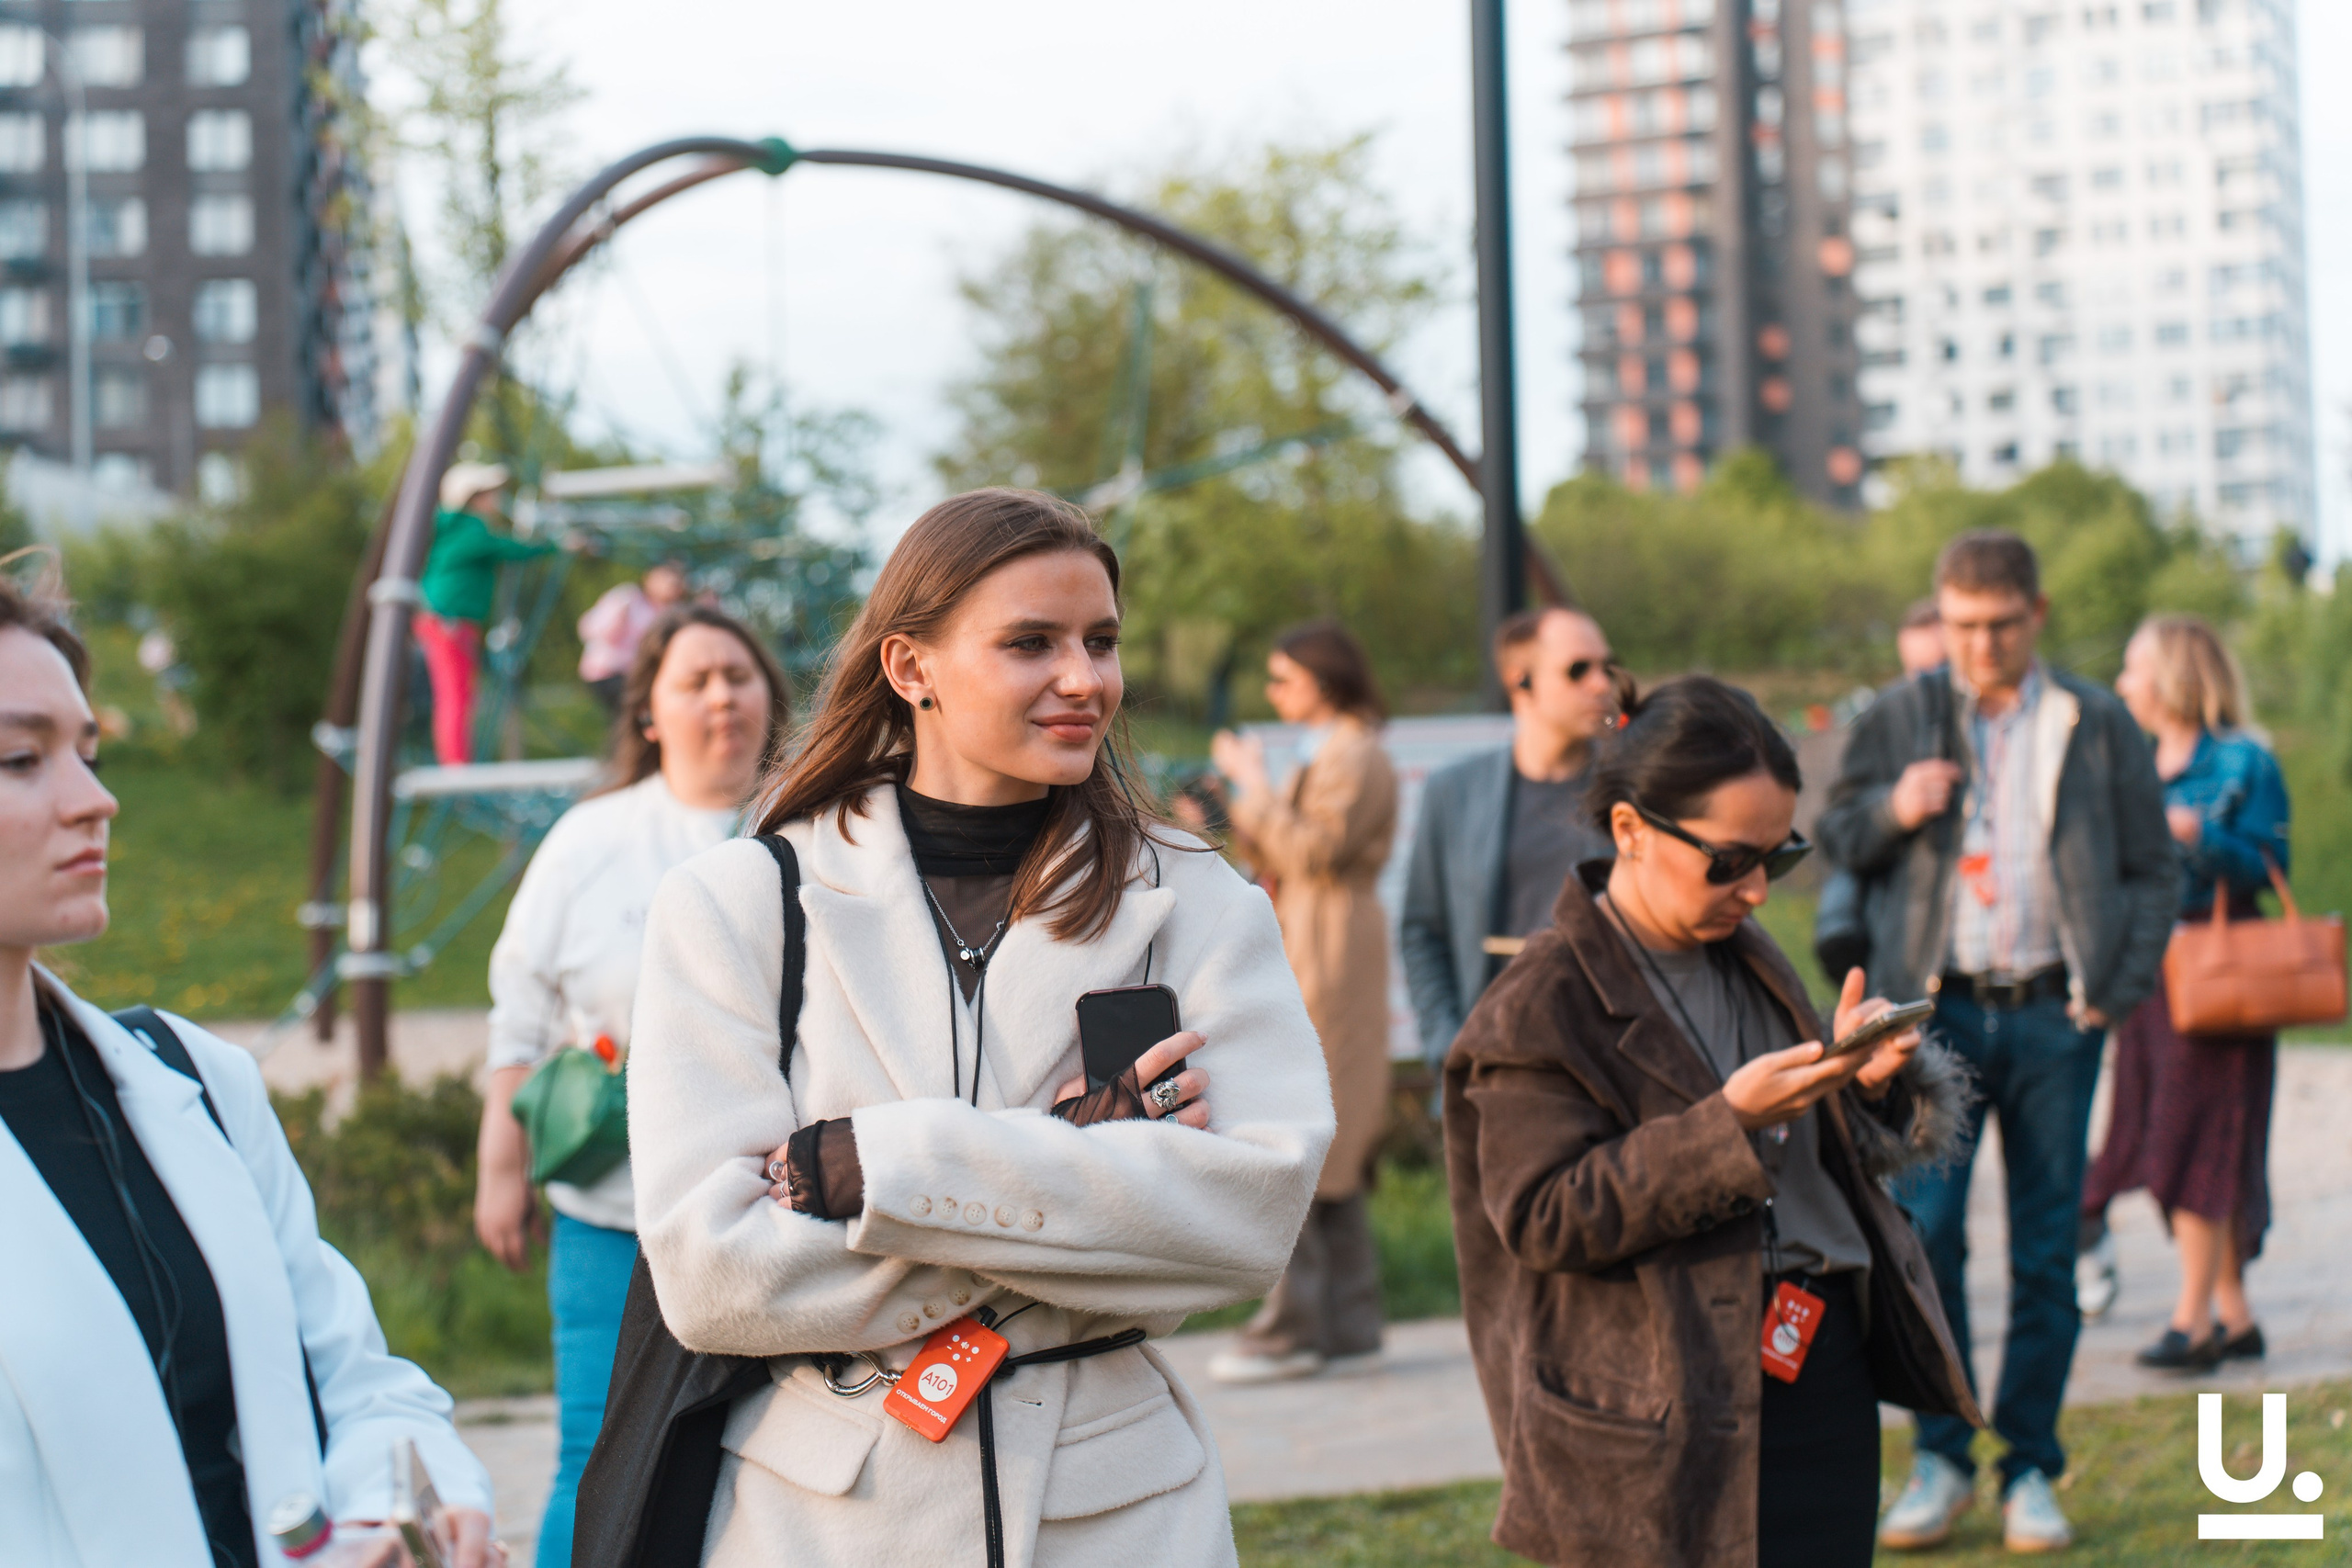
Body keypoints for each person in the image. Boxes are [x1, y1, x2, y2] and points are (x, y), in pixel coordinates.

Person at [623, 488, 1333, 1564]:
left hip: (1125, 1516)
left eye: (1101, 641)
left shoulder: (1198, 899)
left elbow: (1250, 1225)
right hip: (824, 1521)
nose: (1084, 680)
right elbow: (716, 1280)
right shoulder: (737, 904)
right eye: (1029, 643)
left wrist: (882, 1171)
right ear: (911, 670)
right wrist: (1089, 1183)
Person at [0, 559, 500, 1566]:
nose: (95, 801)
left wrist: (397, 1515)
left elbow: (355, 1383)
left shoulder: (189, 1080)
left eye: (90, 753)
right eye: (21, 759)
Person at [1445, 674, 1974, 1568]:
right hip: (1658, 1409)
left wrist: (1861, 1084)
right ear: (1630, 831)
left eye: (1780, 856)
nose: (1759, 889)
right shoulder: (1538, 1005)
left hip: (1817, 1365)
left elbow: (1800, 1156)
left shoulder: (1742, 951)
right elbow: (1539, 1214)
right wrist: (1722, 1125)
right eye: (1730, 861)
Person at [1818, 530, 2177, 1553]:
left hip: (2058, 1011)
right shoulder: (1898, 715)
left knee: (2046, 1250)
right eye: (1961, 626)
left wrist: (2116, 984)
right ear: (1942, 615)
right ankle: (1940, 1459)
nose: (1978, 645)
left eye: (1999, 626)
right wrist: (1892, 806)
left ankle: (2028, 1465)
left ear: (2037, 616)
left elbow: (2152, 870)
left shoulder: (2095, 721)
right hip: (1936, 1017)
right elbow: (1830, 834)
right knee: (1926, 1242)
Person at [473, 604, 789, 1568]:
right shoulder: (590, 840)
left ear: (771, 697)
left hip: (780, 1214)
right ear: (648, 712)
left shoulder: (818, 827)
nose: (719, 697)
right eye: (691, 681)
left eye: (737, 675)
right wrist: (501, 1164)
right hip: (615, 1210)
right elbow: (519, 1013)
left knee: (771, 1460)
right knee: (596, 1453)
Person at [2077, 615, 2289, 1369]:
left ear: (2172, 677)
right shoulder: (2127, 762)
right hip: (2152, 976)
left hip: (2222, 973)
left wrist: (2202, 836)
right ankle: (2234, 1312)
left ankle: (2192, 1318)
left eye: (2135, 668)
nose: (2124, 684)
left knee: (2194, 1137)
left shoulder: (2243, 760)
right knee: (2184, 1133)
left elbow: (2273, 865)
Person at [1202, 620, 1398, 1384]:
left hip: (1333, 943)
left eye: (1285, 678)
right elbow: (1284, 850)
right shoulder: (1328, 747)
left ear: (1324, 677)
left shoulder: (1356, 750)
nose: (1274, 692)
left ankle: (1292, 1327)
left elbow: (1315, 851)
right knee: (1327, 1120)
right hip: (1314, 933)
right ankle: (1348, 1321)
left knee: (1305, 1115)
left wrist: (1251, 782)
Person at [1399, 606, 1623, 1069]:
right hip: (1490, 1070)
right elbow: (1423, 930)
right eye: (1578, 670)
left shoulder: (1631, 791)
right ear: (1520, 680)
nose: (1602, 684)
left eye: (1608, 667)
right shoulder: (1455, 791)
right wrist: (1447, 1044)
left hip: (1608, 1064)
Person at [1813, 598, 1948, 983]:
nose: (1930, 682)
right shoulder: (1887, 717)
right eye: (1918, 671)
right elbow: (1836, 833)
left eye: (1943, 667)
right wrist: (1893, 811)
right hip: (1908, 959)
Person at [416, 462, 559, 764]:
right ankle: (456, 767)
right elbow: (511, 549)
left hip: (450, 620)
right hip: (449, 620)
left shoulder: (457, 529)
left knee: (460, 695)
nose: (496, 501)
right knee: (456, 696)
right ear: (474, 498)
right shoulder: (469, 529)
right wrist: (553, 545)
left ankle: (457, 763)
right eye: (491, 494)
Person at [577, 559, 690, 713]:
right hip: (608, 673)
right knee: (630, 718)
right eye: (666, 577)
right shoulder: (627, 598)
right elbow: (588, 628)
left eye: (677, 579)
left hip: (638, 675)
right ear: (649, 578)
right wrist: (615, 624)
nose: (672, 583)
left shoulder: (673, 612)